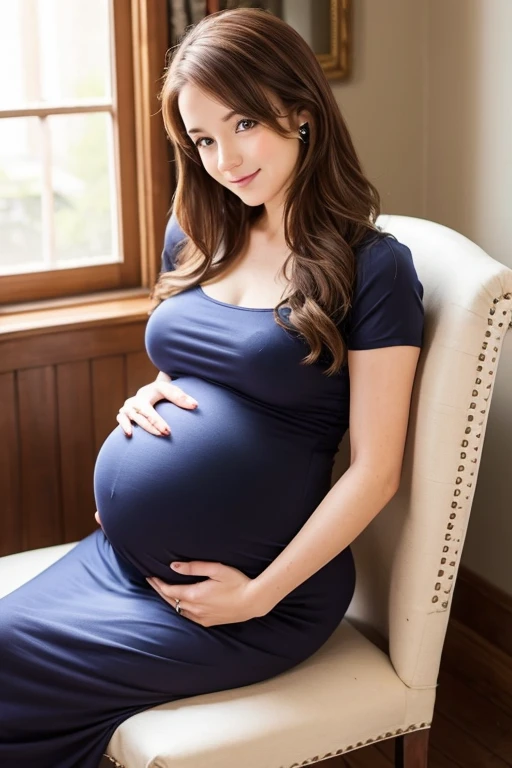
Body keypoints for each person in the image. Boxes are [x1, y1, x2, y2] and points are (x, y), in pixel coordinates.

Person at [0, 8, 424, 767]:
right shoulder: (199, 231)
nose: (224, 159)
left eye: (242, 125)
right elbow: (206, 361)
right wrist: (150, 394)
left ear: (300, 111)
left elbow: (377, 470)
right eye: (202, 139)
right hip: (125, 563)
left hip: (256, 602)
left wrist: (256, 596)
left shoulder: (374, 270)